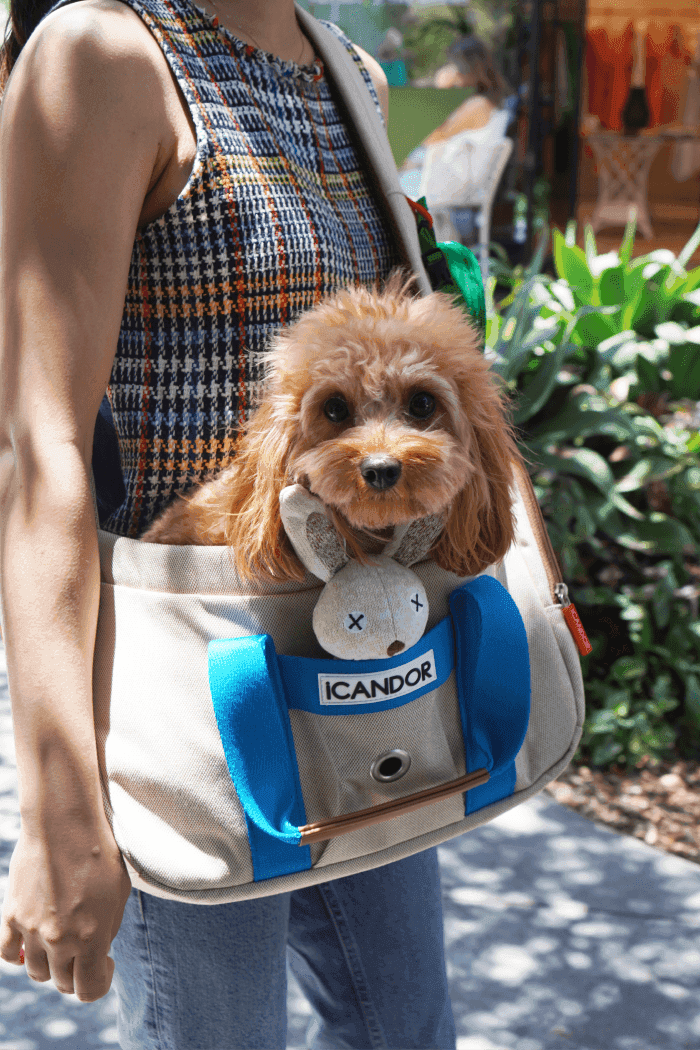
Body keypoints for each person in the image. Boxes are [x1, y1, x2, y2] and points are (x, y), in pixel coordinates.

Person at [0, 0, 457, 1046]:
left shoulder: (349, 73)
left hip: (361, 667)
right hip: (192, 692)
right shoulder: (107, 56)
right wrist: (58, 811)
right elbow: (40, 450)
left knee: (407, 1030)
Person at [400, 38, 514, 243]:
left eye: (454, 65)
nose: (450, 70)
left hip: (452, 186)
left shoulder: (478, 105)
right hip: (454, 182)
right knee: (402, 170)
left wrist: (440, 89)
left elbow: (431, 136)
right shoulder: (483, 103)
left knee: (391, 184)